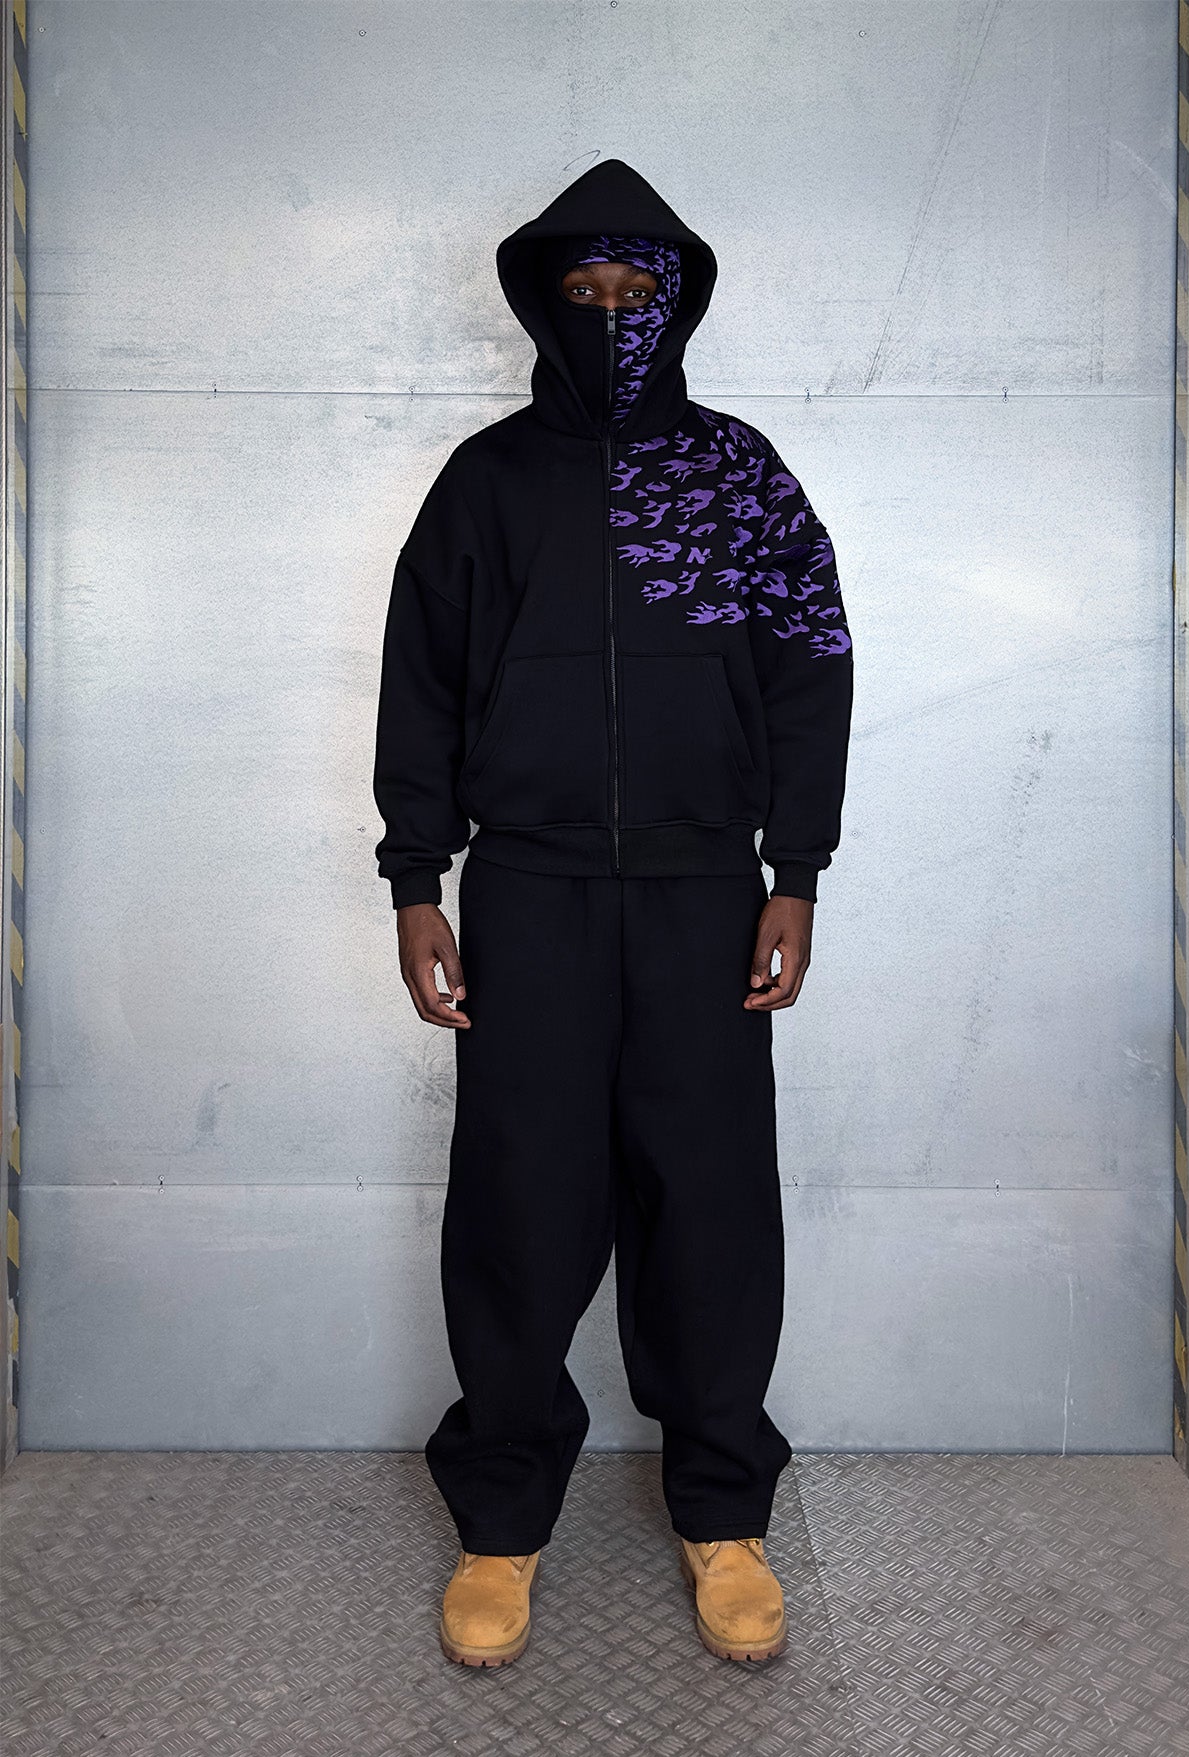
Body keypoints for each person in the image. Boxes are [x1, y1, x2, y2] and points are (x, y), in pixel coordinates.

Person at [372, 158, 853, 1668]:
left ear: (679, 298)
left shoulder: (738, 477)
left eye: (637, 287)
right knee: (519, 1197)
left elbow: (810, 672)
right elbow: (422, 683)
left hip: (708, 891)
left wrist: (795, 873)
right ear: (540, 300)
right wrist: (416, 881)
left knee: (708, 1200)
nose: (609, 312)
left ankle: (724, 1510)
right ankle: (503, 1516)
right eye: (582, 288)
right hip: (531, 889)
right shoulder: (487, 483)